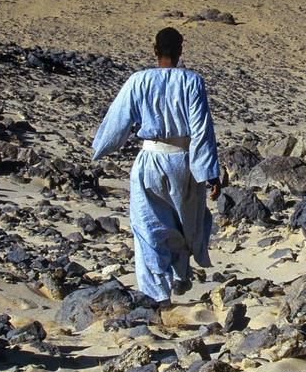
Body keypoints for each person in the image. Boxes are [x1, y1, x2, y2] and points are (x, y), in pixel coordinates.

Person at [92, 27, 220, 304]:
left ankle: (156, 296)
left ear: (154, 50)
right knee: (184, 223)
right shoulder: (192, 81)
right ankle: (179, 275)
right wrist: (210, 173)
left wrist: (100, 149)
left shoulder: (138, 81)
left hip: (149, 160)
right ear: (181, 51)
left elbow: (118, 119)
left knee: (147, 227)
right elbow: (201, 129)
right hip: (184, 160)